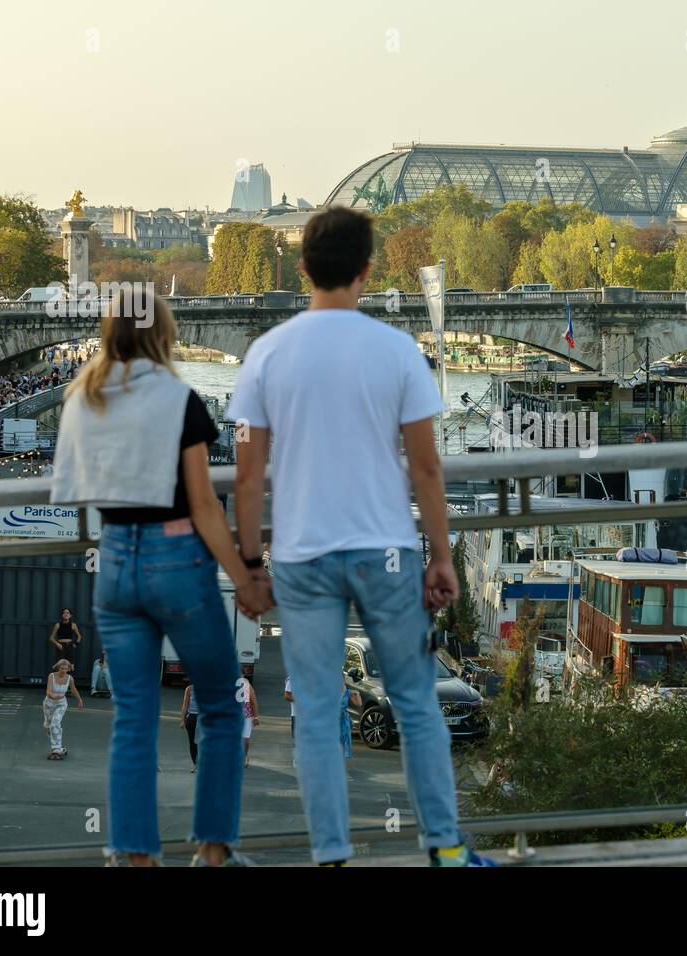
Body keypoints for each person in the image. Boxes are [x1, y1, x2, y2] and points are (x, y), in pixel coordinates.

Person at [229, 207, 492, 867]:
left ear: (302, 268)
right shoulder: (396, 350)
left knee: (316, 714)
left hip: (302, 554)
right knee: (416, 703)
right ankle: (447, 850)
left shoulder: (267, 353)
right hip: (384, 550)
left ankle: (333, 856)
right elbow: (427, 467)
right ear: (367, 271)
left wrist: (251, 565)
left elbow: (250, 476)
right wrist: (440, 557)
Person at [51, 287, 272, 868]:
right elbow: (203, 505)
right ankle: (213, 849)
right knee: (222, 706)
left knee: (133, 720)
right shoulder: (179, 399)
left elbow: (81, 492)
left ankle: (136, 858)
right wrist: (246, 576)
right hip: (176, 560)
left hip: (116, 562)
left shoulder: (82, 398)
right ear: (162, 334)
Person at [43, 659, 83, 759]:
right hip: (49, 704)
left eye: (66, 669)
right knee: (48, 725)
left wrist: (79, 700)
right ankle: (57, 744)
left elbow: (73, 689)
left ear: (69, 669)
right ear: (58, 668)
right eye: (62, 668)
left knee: (55, 724)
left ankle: (56, 749)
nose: (63, 670)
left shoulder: (70, 678)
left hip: (61, 704)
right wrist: (53, 695)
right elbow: (48, 691)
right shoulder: (51, 676)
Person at [237, 675, 259, 768]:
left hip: (247, 715)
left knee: (245, 738)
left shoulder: (246, 685)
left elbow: (253, 700)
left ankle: (245, 756)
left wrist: (256, 716)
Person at [180, 682, 200, 770]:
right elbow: (185, 704)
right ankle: (196, 764)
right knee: (192, 742)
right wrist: (182, 720)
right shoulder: (189, 689)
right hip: (191, 717)